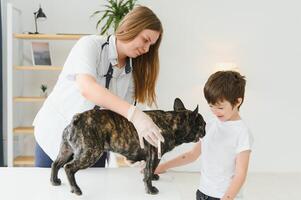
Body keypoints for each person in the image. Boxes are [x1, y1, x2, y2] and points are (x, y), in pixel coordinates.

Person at [33, 6, 164, 168]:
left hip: (94, 145)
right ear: (131, 27)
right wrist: (135, 114)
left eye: (151, 45)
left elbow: (119, 118)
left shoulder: (132, 74)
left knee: (92, 191)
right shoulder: (90, 45)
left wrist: (132, 154)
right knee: (51, 190)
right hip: (56, 136)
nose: (146, 49)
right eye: (145, 40)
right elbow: (87, 88)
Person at [155, 71, 253, 200]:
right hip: (202, 193)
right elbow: (192, 155)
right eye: (211, 106)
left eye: (220, 107)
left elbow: (240, 174)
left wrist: (227, 198)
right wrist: (162, 166)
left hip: (225, 196)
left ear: (237, 102)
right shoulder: (209, 125)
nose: (215, 111)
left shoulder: (242, 132)